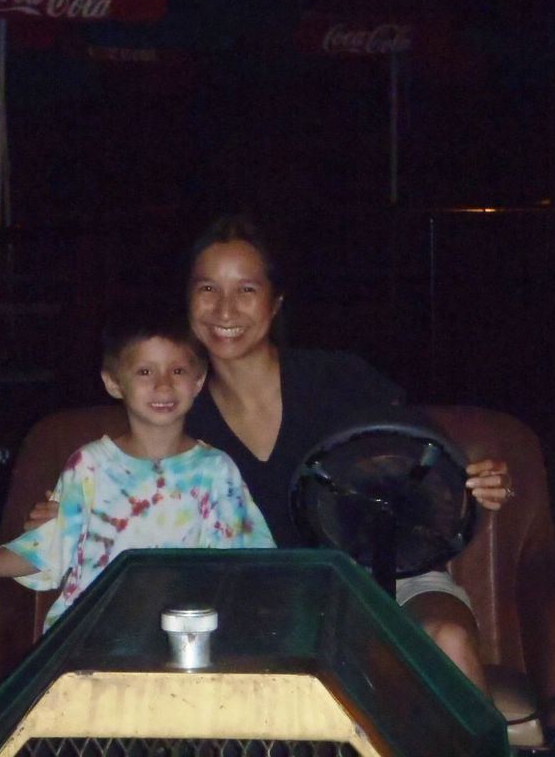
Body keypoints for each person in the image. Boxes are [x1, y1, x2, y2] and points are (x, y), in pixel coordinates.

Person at [28, 215, 512, 694]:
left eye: (246, 290)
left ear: (275, 302)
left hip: (385, 575)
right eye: (208, 289)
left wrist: (482, 479)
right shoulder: (176, 411)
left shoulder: (335, 378)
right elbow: (124, 492)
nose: (225, 309)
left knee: (447, 639)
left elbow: (434, 461)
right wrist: (59, 519)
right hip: (257, 601)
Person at [0, 308, 275, 629]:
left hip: (184, 641)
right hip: (91, 638)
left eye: (178, 371)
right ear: (114, 382)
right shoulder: (90, 467)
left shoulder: (216, 472)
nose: (163, 385)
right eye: (144, 371)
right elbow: (45, 549)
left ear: (198, 381)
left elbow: (252, 564)